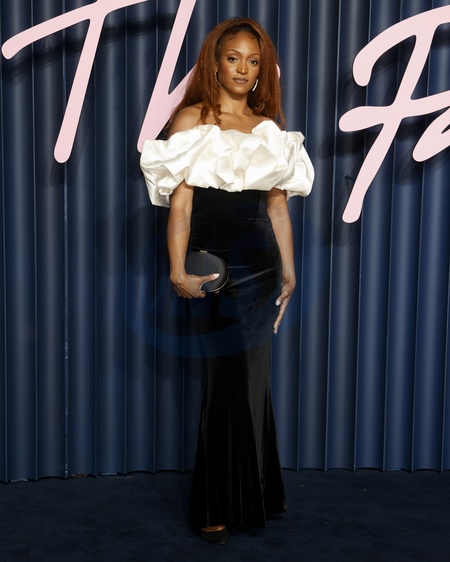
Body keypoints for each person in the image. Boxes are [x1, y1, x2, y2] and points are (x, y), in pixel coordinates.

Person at [140, 17, 314, 545]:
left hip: (262, 269)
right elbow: (181, 204)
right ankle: (215, 505)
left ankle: (258, 494)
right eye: (233, 58)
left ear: (262, 71)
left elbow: (277, 207)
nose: (243, 69)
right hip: (212, 268)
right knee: (224, 383)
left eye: (253, 61)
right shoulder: (191, 119)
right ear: (215, 63)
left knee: (253, 381)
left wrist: (289, 268)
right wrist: (176, 268)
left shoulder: (268, 126)